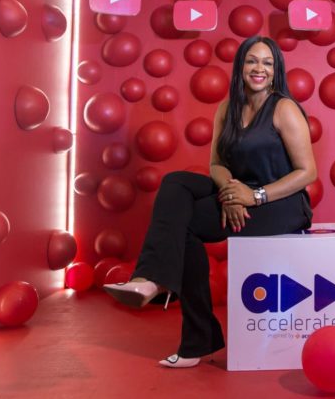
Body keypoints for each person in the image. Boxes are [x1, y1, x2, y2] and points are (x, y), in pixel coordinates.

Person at [104, 35, 316, 368]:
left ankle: (192, 333)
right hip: (238, 191)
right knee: (175, 182)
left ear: (276, 71)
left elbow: (307, 172)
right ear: (240, 66)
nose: (259, 68)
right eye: (252, 61)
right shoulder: (226, 109)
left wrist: (255, 196)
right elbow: (216, 163)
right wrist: (231, 193)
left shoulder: (284, 108)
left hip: (281, 201)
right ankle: (149, 281)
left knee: (186, 224)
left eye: (267, 63)